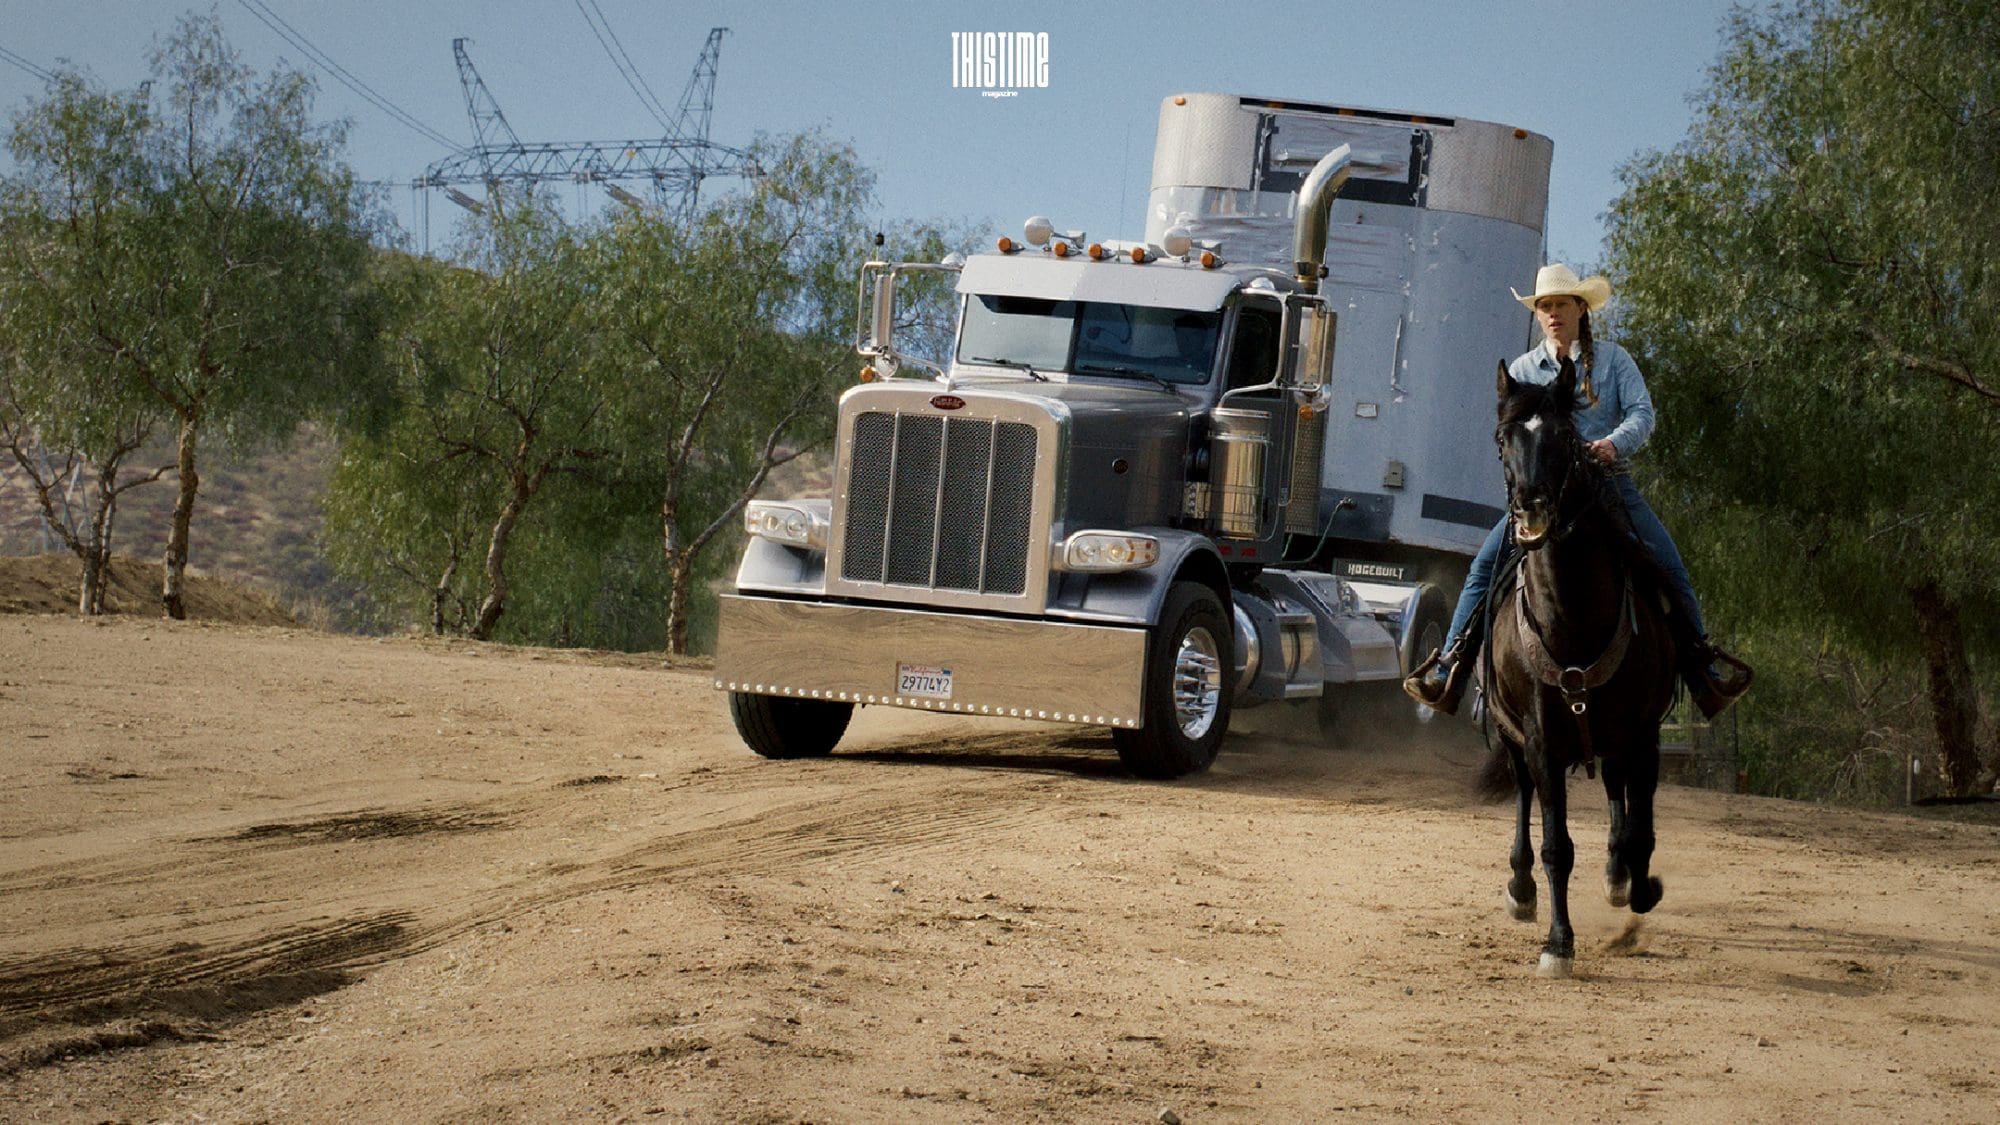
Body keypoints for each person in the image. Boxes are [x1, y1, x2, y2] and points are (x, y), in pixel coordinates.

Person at [1403, 263, 1752, 718]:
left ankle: (1702, 672)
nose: (1552, 314)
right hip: (1542, 497)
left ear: (1580, 309)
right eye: (1544, 306)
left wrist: (1611, 443)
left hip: (1609, 486)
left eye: (1560, 305)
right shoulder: (1525, 369)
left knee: (1668, 564)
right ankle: (1451, 670)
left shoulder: (1613, 360)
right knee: (1484, 568)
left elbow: (1643, 414)